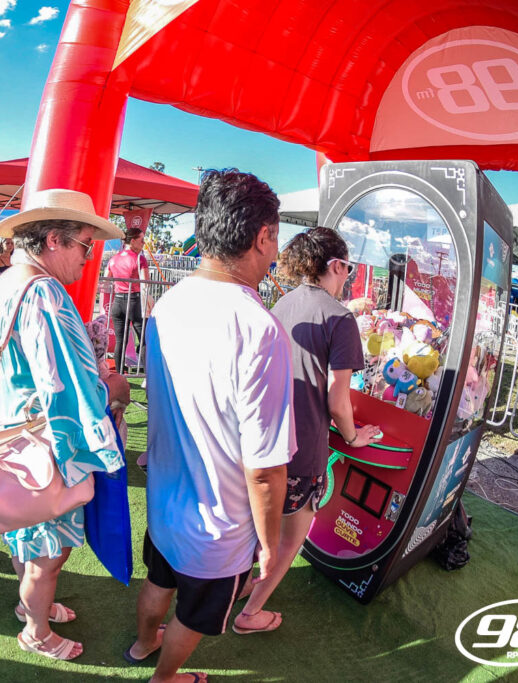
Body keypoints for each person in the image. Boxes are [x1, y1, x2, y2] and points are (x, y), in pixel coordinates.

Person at [126, 169, 293, 683]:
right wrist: (271, 546)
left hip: (166, 501)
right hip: (219, 526)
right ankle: (165, 678)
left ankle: (143, 644)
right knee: (196, 614)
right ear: (262, 236)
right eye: (275, 239)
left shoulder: (169, 301)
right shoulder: (259, 328)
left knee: (159, 579)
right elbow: (264, 468)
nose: (276, 251)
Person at [0, 189, 125, 660]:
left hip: (13, 439)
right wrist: (113, 391)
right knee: (49, 553)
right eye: (85, 243)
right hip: (44, 445)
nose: (89, 256)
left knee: (26, 539)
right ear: (52, 240)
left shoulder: (9, 280)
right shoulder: (44, 292)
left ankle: (32, 608)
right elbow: (66, 385)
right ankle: (36, 630)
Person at [234, 226, 380, 635]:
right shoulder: (340, 318)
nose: (349, 276)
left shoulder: (282, 303)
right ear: (336, 265)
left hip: (261, 438)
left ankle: (240, 587)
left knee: (256, 525)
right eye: (348, 267)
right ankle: (250, 613)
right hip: (302, 450)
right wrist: (352, 436)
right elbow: (338, 401)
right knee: (289, 539)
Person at [104, 226, 149, 373]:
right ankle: (148, 375)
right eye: (142, 240)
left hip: (118, 303)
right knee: (144, 339)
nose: (144, 243)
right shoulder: (139, 259)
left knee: (120, 341)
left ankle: (119, 374)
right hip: (134, 302)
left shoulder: (113, 259)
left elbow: (106, 281)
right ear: (133, 241)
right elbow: (146, 283)